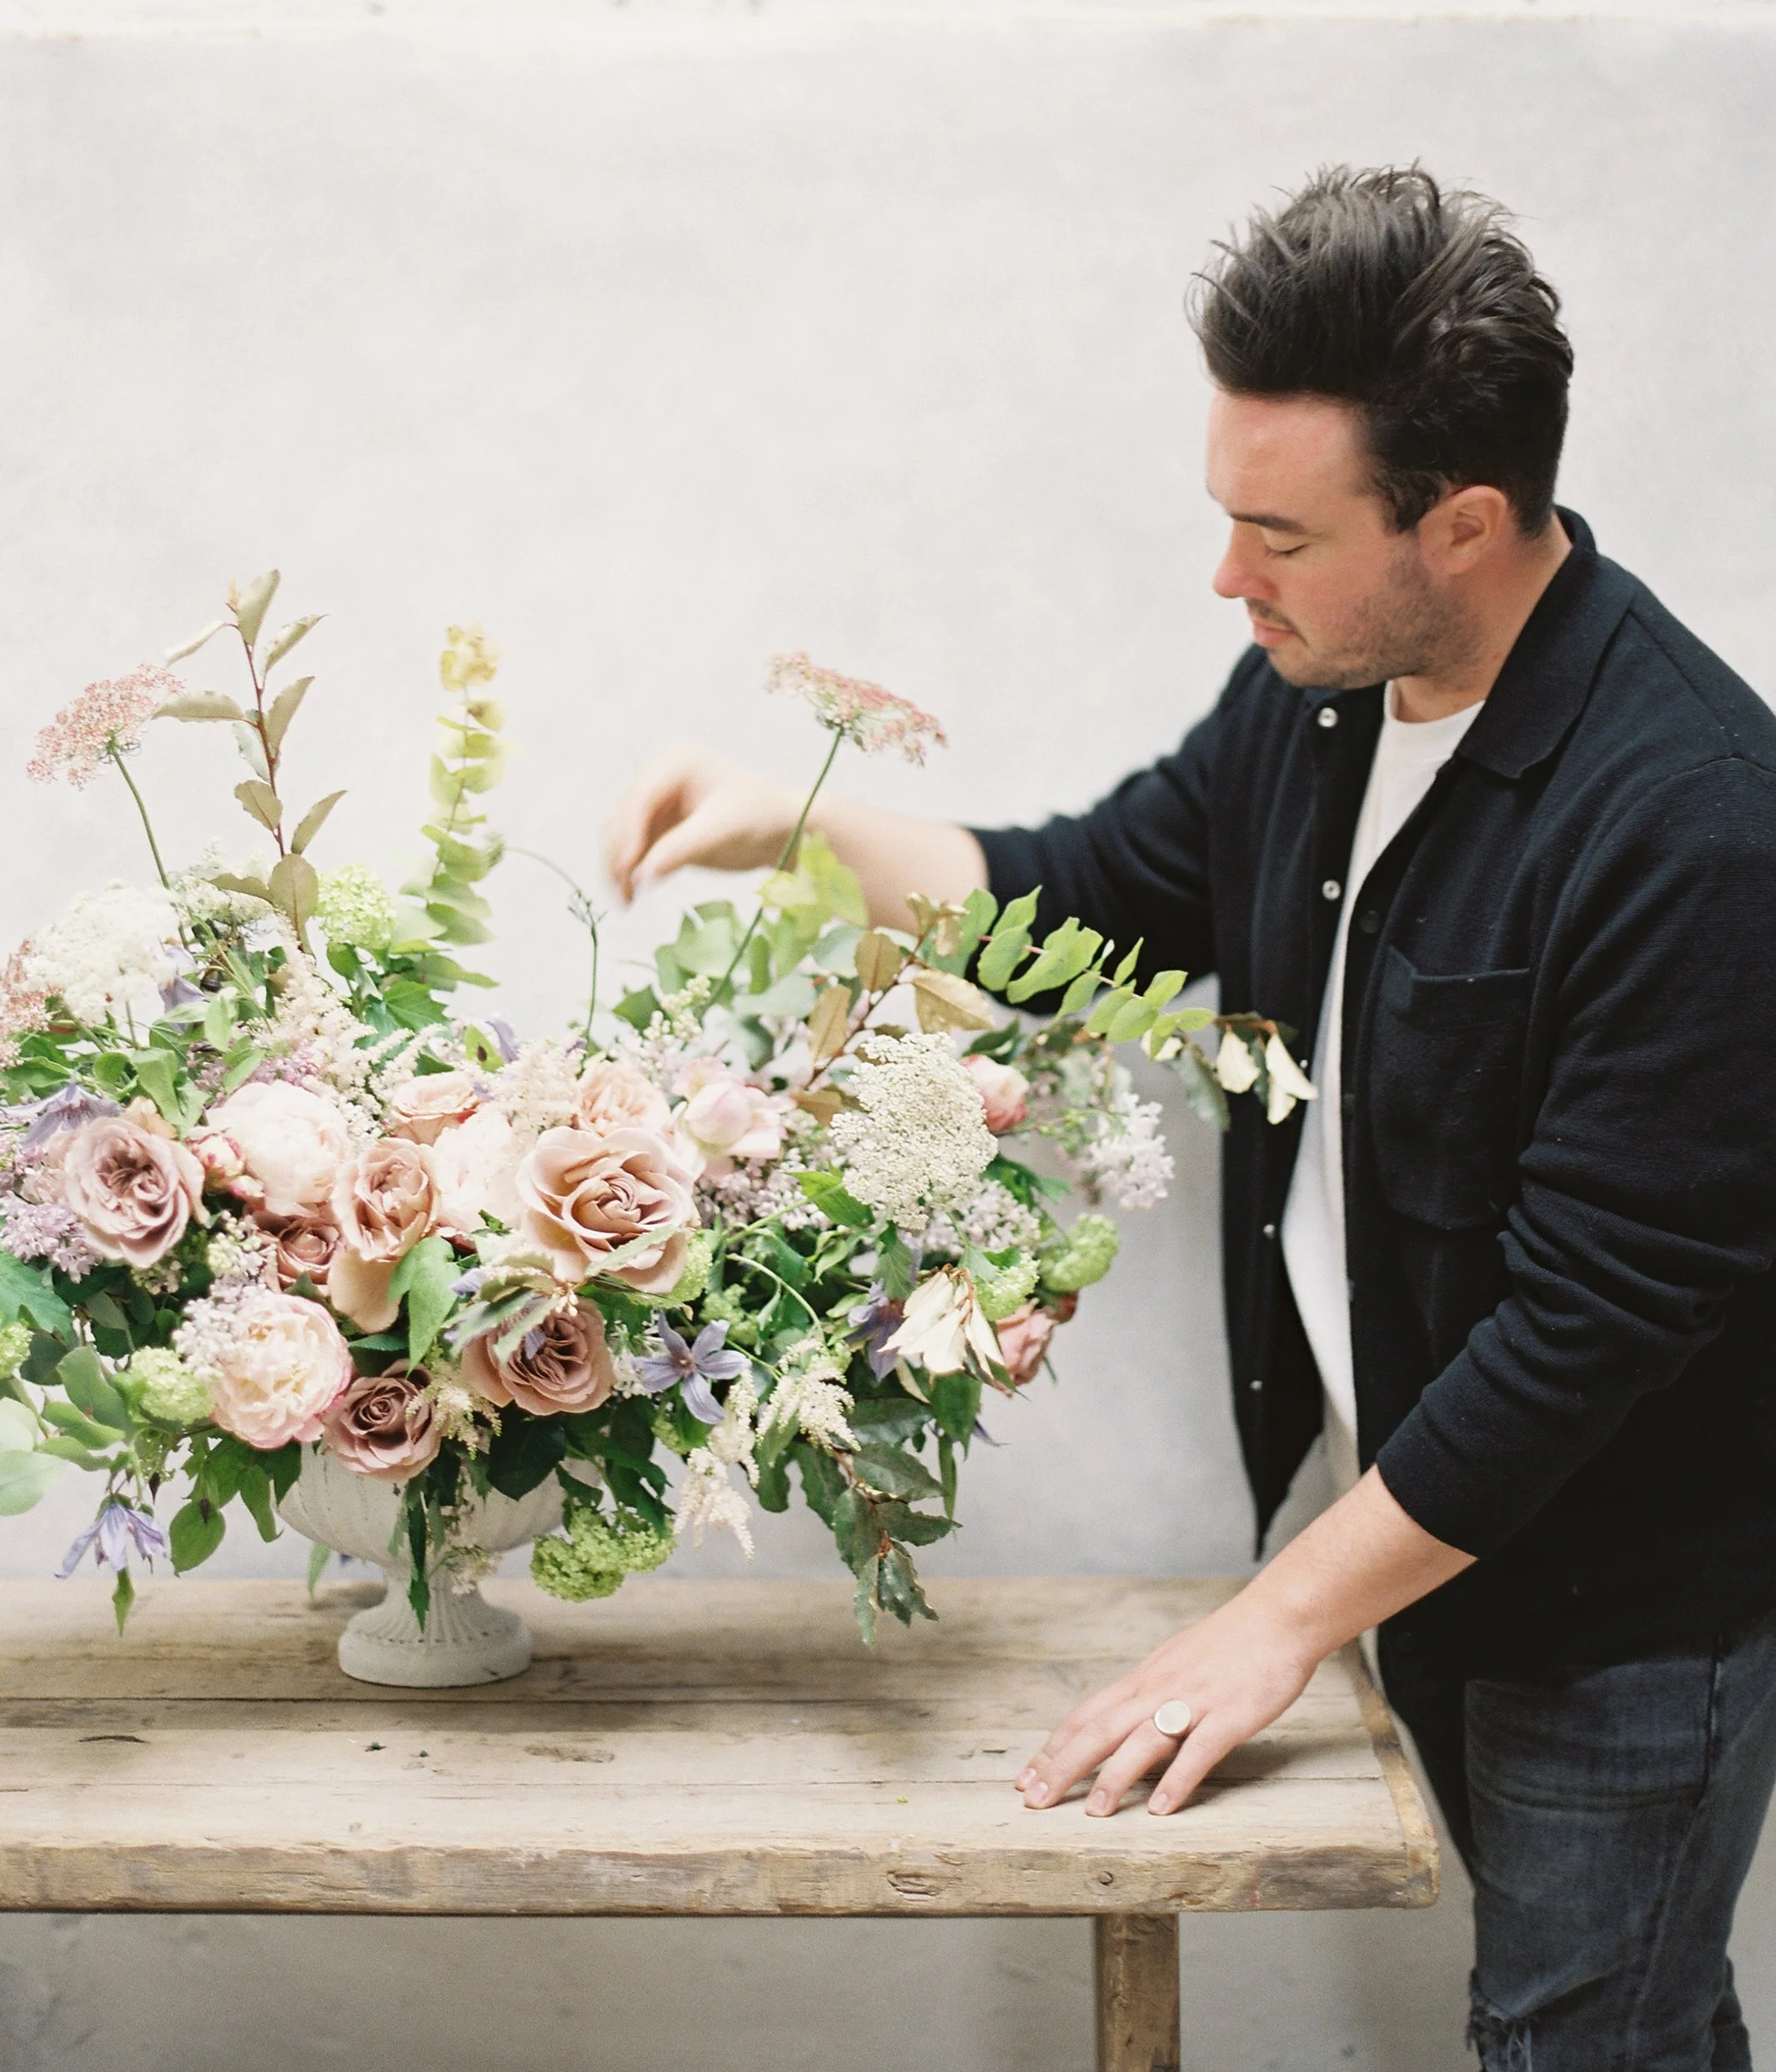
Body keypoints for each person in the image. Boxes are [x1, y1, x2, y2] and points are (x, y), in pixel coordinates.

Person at [605, 167, 1776, 2071]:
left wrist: (1277, 1621)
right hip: (1419, 1549)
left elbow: (1596, 1322)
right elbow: (1079, 893)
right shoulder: (1318, 699)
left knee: (1591, 2041)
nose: (1230, 579)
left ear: (1463, 523)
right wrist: (791, 822)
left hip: (1614, 1618)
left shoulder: (1700, 822)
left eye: (1278, 535)